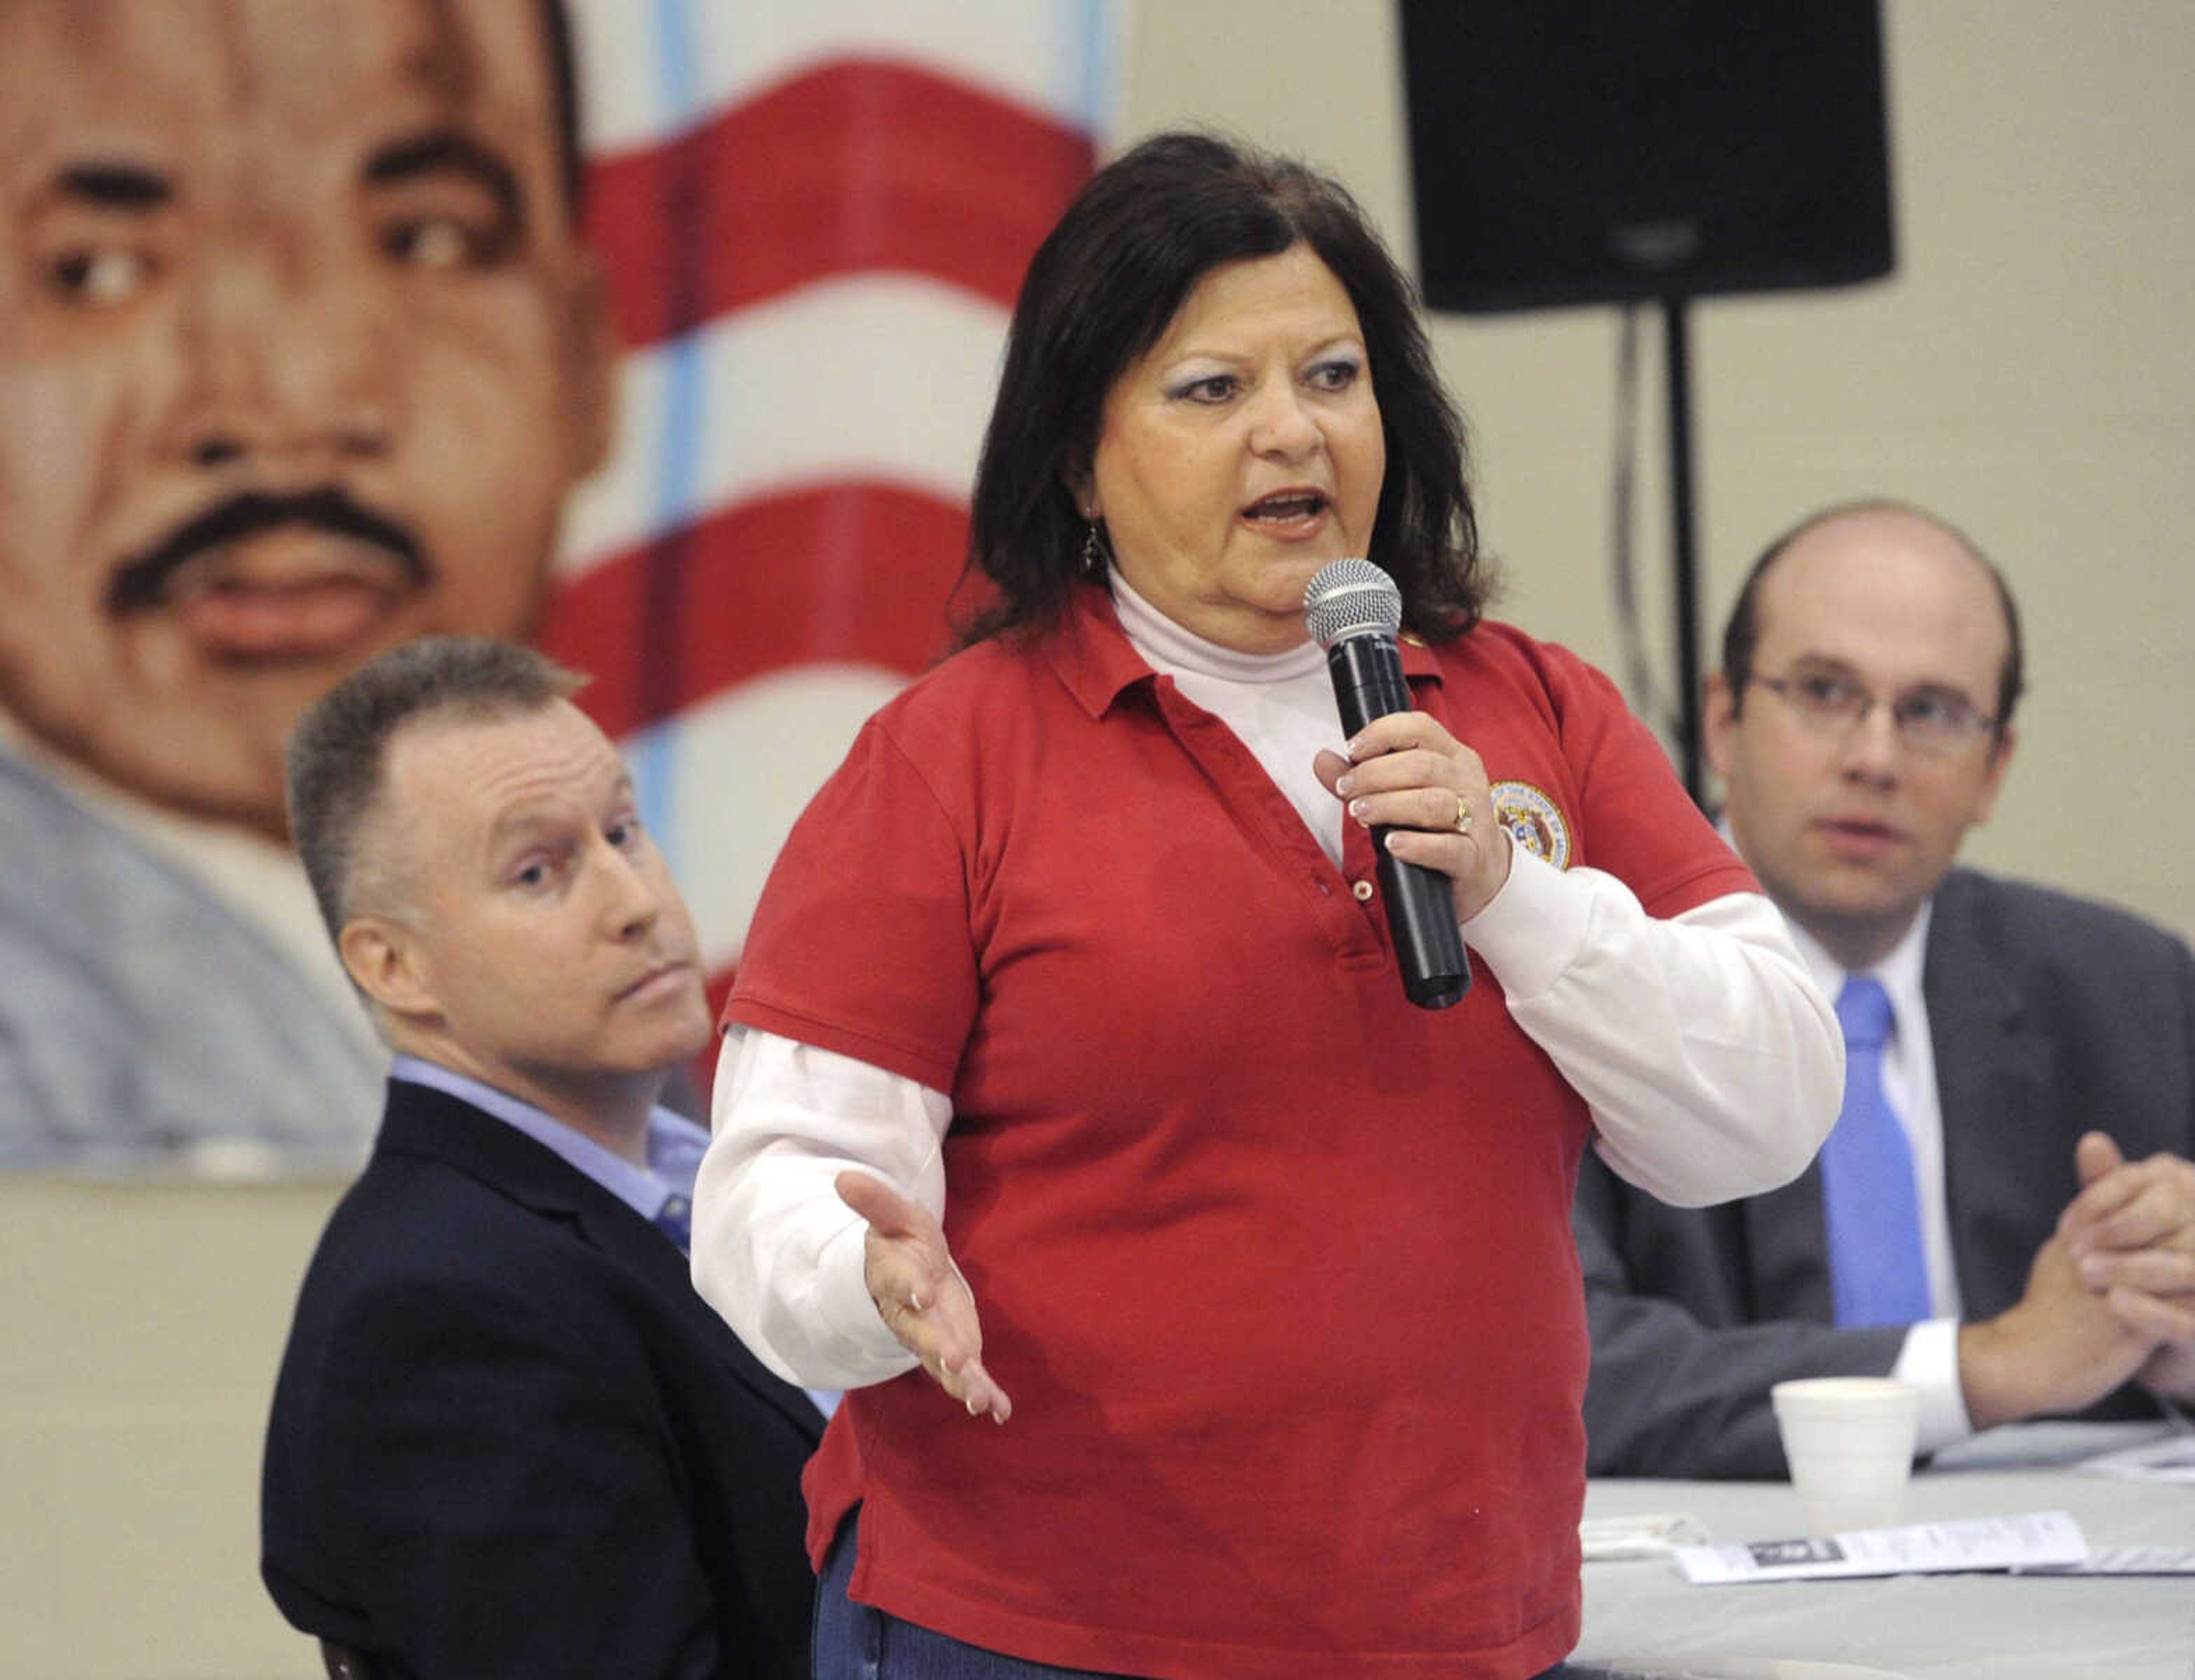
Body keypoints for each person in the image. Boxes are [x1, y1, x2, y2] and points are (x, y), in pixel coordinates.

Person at [689, 130, 1842, 1679]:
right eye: (1210, 389)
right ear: (1081, 454)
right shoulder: (949, 760)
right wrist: (865, 1285)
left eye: (1333, 376)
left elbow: (1766, 1107)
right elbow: (777, 1185)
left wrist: (1515, 897)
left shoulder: (1537, 707)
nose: (1291, 432)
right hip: (1041, 1630)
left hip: (1460, 1622)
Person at [0, 0, 612, 1171]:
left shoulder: (620, 1013)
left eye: (429, 239)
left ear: (588, 361)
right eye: (100, 269)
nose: (285, 405)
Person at [1575, 500, 2195, 1479]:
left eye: (1933, 713)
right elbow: (1576, 1371)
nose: (1874, 758)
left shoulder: (2133, 991)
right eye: (1825, 692)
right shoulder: (1576, 971)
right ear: (1723, 723)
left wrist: (2172, 1324)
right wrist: (1989, 1369)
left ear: (1995, 770)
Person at [260, 636, 821, 1678]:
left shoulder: (698, 1183)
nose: (637, 902)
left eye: (622, 831)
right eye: (538, 871)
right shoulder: (444, 1308)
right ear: (396, 965)